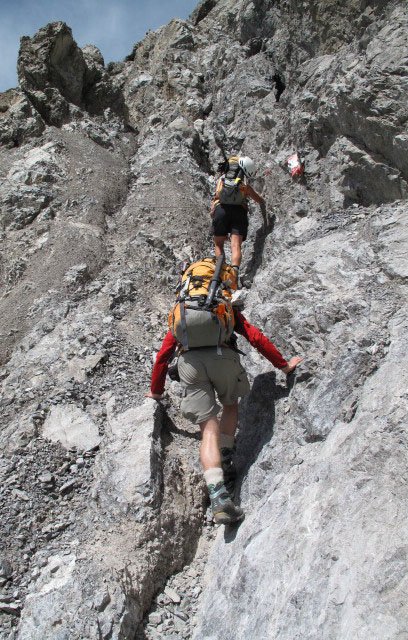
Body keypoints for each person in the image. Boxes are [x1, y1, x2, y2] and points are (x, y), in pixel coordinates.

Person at [146, 308, 302, 525]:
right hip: (224, 358)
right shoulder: (223, 306)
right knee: (230, 406)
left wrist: (156, 390)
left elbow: (164, 354)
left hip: (190, 364)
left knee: (208, 430)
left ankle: (218, 495)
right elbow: (254, 337)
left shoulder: (181, 310)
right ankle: (226, 457)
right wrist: (283, 366)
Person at [210, 156, 266, 283]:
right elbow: (258, 199)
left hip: (221, 211)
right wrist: (262, 199)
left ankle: (222, 273)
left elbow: (215, 198)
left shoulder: (221, 180)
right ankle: (234, 276)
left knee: (218, 244)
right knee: (235, 245)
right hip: (239, 212)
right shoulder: (243, 184)